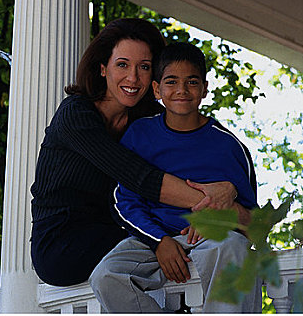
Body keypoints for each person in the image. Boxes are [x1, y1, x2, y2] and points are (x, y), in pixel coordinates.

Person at [30, 18, 239, 287]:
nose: (133, 78)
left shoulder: (147, 121)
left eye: (144, 67)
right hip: (63, 244)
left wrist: (228, 188)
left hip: (120, 228)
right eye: (122, 65)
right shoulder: (75, 114)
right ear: (103, 68)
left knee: (192, 240)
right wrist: (212, 203)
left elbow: (195, 154)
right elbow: (140, 177)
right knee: (179, 242)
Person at [89, 42, 261, 312]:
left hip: (213, 240)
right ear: (157, 89)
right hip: (151, 239)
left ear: (205, 88)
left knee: (235, 249)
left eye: (192, 82)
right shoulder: (139, 135)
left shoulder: (229, 146)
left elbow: (254, 226)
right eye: (171, 82)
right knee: (107, 275)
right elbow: (124, 201)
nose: (182, 90)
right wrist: (160, 240)